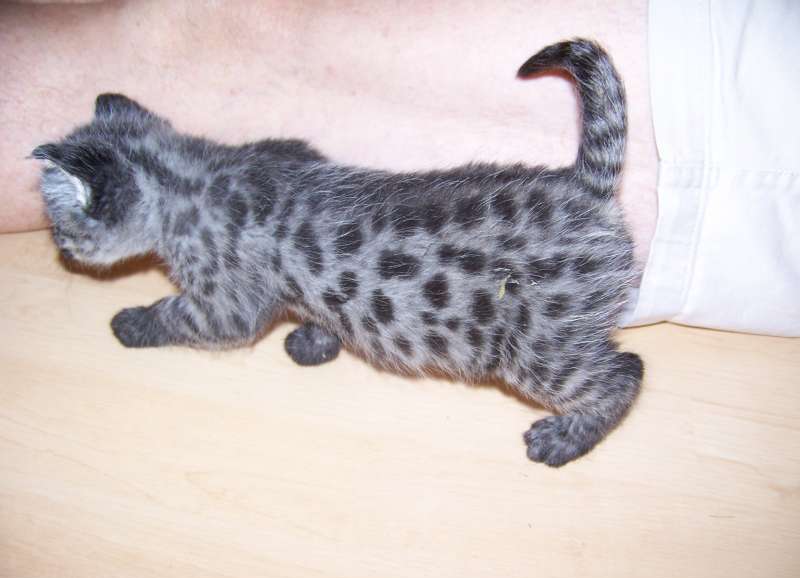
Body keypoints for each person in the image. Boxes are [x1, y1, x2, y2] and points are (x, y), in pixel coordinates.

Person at [2, 0, 796, 335]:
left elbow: (232, 316)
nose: (67, 248)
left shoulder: (198, 242)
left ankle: (594, 393)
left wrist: (157, 321)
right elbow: (299, 163)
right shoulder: (231, 177)